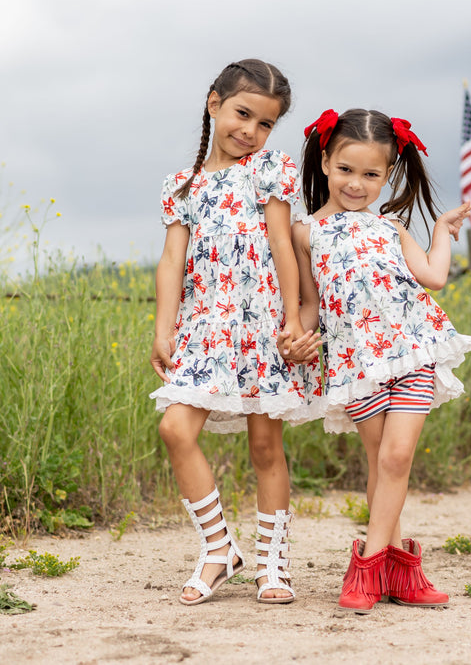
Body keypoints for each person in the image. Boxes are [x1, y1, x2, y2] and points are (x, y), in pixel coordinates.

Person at [284, 108, 471, 614]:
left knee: (395, 458)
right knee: (378, 465)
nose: (357, 183)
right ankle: (398, 571)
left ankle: (366, 570)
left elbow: (433, 277)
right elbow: (308, 303)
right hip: (356, 364)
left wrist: (440, 230)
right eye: (346, 169)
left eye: (372, 174)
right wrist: (298, 337)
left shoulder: (390, 228)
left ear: (388, 175)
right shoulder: (305, 234)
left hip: (413, 351)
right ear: (325, 161)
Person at [150, 59, 320, 606]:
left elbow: (281, 245)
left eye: (265, 123)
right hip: (204, 327)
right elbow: (172, 261)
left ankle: (273, 562)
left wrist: (292, 319)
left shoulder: (267, 170)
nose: (250, 131)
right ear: (214, 102)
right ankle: (220, 547)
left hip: (261, 325)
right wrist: (164, 327)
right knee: (176, 428)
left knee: (267, 444)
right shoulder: (183, 186)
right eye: (243, 114)